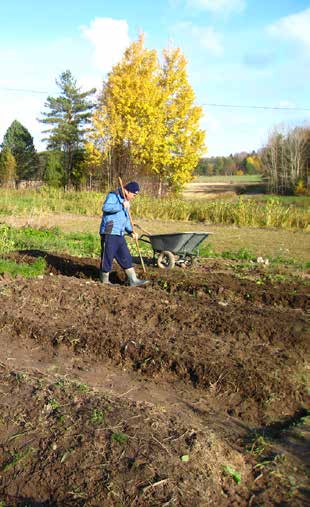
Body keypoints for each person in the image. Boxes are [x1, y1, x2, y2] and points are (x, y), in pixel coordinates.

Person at [99, 181, 149, 287]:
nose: (134, 197)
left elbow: (126, 219)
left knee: (125, 256)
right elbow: (105, 208)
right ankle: (104, 281)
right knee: (107, 256)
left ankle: (133, 280)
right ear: (127, 191)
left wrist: (131, 231)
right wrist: (121, 205)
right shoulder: (113, 196)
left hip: (120, 233)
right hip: (110, 231)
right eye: (134, 195)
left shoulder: (125, 201)